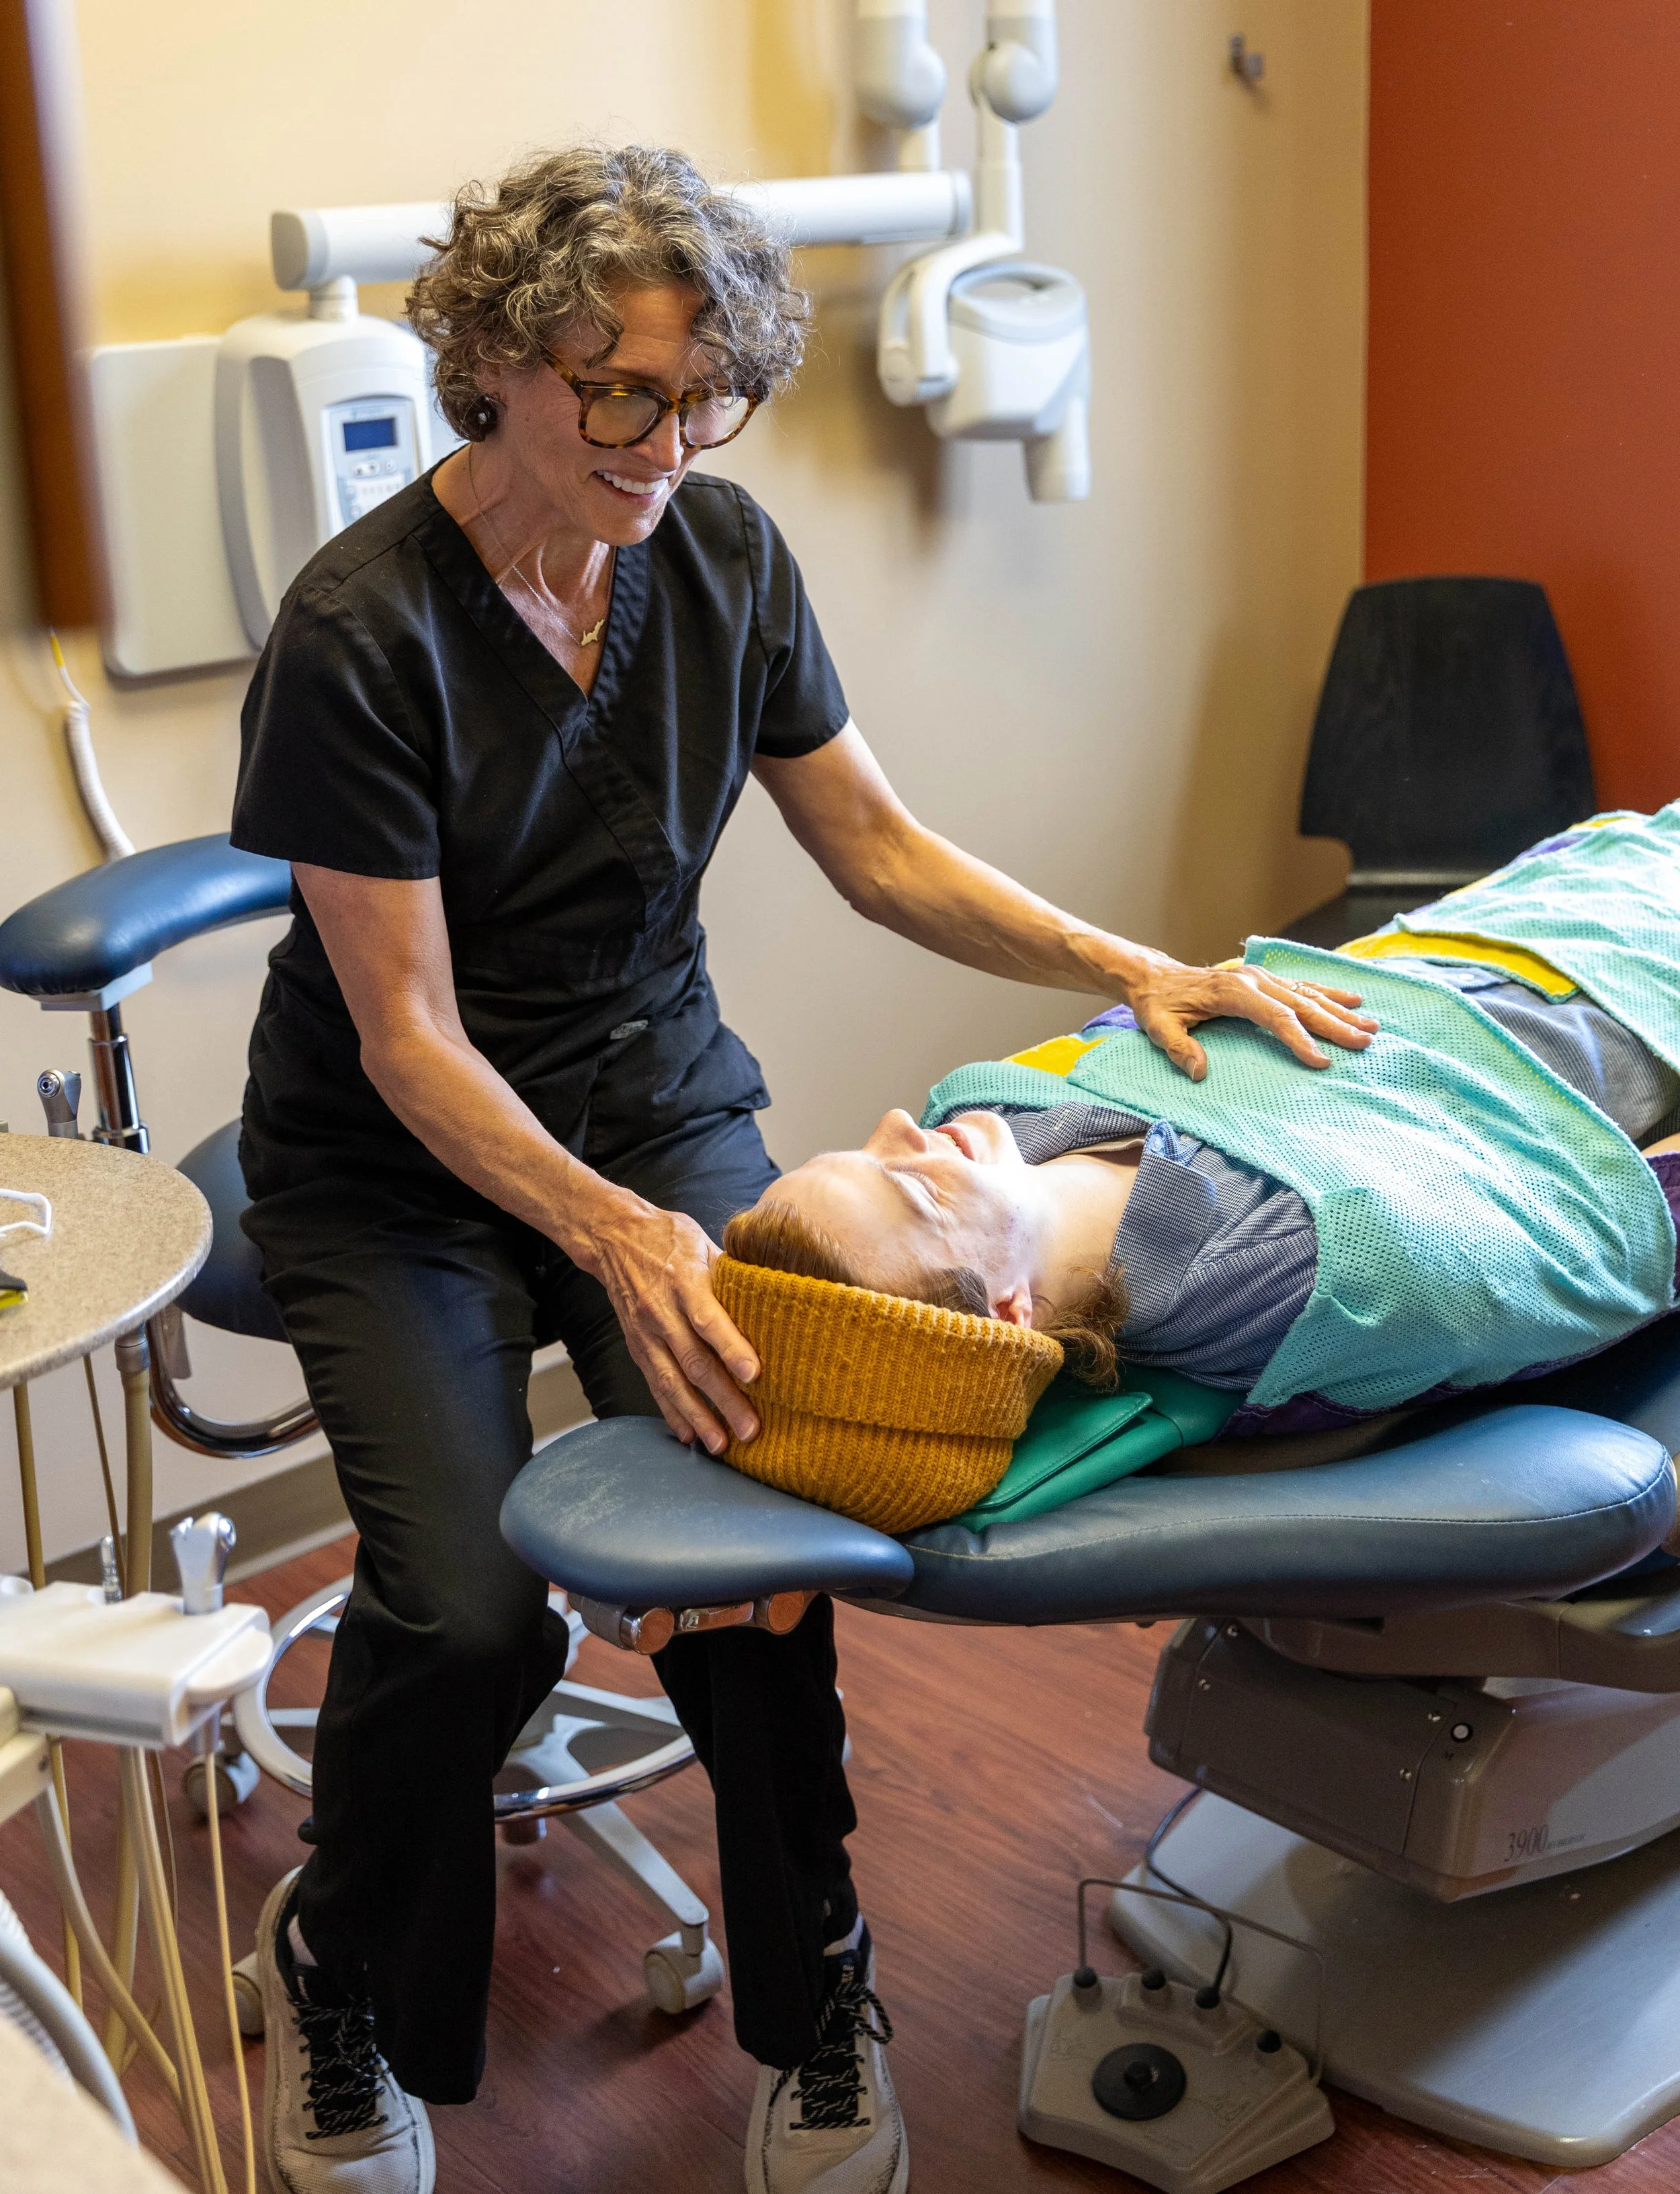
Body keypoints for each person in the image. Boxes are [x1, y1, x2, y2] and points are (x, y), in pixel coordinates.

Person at [228, 143, 1376, 2194]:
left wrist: (1133, 963)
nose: (667, 445)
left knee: (774, 1537)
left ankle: (813, 1990)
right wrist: (614, 1234)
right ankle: (345, 1973)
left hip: (652, 1088)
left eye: (702, 395)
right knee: (473, 1610)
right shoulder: (360, 633)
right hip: (399, 1161)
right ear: (498, 359)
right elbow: (407, 1039)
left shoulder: (725, 558)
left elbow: (881, 851)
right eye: (622, 396)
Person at [722, 821, 1680, 1434]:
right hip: (1615, 1000)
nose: (902, 1126)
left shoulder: (993, 1107)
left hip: (1489, 923)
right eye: (913, 1187)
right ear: (1009, 1310)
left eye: (862, 1142)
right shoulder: (1318, 1274)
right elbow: (1617, 1242)